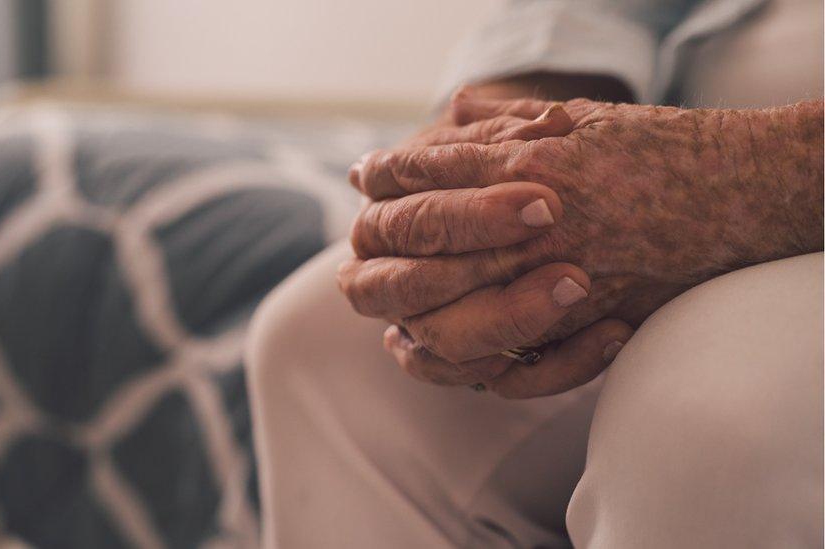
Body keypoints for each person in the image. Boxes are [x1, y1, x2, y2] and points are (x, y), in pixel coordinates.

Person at [246, 0, 824, 547]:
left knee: (706, 424)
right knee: (321, 341)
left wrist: (756, 173)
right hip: (702, 96)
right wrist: (510, 119)